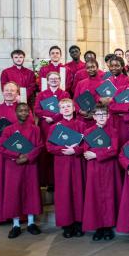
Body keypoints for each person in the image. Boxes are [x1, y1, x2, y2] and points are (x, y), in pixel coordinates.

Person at [0, 103, 43, 239]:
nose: (23, 113)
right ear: (16, 113)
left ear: (29, 113)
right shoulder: (8, 129)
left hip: (30, 165)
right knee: (14, 194)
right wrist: (17, 156)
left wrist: (27, 157)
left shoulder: (35, 129)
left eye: (25, 111)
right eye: (20, 111)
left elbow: (40, 146)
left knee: (31, 192)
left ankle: (30, 223)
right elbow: (2, 147)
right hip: (14, 166)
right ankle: (16, 224)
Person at [82, 104, 122, 241]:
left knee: (109, 195)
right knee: (95, 196)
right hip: (94, 168)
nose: (101, 117)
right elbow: (87, 150)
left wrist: (96, 154)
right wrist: (104, 150)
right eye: (98, 115)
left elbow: (114, 149)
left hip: (109, 167)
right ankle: (98, 227)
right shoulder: (88, 132)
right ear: (94, 117)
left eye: (104, 114)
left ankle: (108, 227)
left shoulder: (113, 131)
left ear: (108, 116)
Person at [46, 98, 86, 238]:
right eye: (63, 107)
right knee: (64, 193)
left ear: (74, 109)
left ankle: (79, 223)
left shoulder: (82, 125)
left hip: (77, 162)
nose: (66, 108)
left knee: (78, 191)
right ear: (60, 110)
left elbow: (87, 144)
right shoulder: (54, 127)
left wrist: (75, 151)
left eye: (69, 106)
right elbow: (50, 147)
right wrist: (65, 149)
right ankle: (67, 225)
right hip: (62, 163)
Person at [0, 82, 24, 225]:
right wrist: (2, 142)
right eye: (6, 90)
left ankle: (19, 215)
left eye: (12, 90)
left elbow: (29, 126)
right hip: (0, 152)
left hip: (17, 151)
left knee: (15, 183)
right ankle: (1, 215)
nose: (9, 92)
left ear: (17, 93)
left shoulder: (22, 110)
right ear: (2, 92)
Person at [34, 72, 70, 188]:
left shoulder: (65, 94)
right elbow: (37, 110)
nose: (54, 80)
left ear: (60, 80)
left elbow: (67, 109)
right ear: (47, 81)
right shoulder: (42, 94)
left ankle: (57, 180)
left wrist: (53, 118)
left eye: (56, 79)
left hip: (60, 125)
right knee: (46, 152)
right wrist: (48, 117)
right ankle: (46, 180)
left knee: (59, 151)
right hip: (45, 126)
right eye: (51, 79)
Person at [73, 60, 104, 127]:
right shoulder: (81, 83)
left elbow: (105, 103)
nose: (91, 69)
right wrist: (80, 111)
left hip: (98, 118)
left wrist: (94, 114)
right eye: (88, 68)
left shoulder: (103, 84)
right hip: (82, 118)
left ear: (97, 68)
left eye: (93, 67)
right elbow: (75, 100)